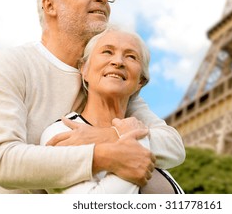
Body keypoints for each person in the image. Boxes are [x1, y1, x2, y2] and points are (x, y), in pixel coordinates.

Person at [0, 0, 185, 194]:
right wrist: (104, 155)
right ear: (50, 5)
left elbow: (171, 144)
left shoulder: (105, 80)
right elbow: (3, 162)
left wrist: (109, 135)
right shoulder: (10, 65)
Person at [40, 26, 184, 194]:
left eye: (131, 56)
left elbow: (176, 148)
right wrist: (135, 141)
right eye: (107, 52)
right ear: (84, 69)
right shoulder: (62, 132)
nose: (118, 62)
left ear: (141, 81)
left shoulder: (141, 129)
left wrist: (117, 135)